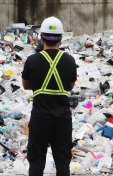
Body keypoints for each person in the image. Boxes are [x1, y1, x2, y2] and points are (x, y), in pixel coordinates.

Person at [22, 16, 77, 176]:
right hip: (62, 120)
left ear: (41, 37)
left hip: (40, 119)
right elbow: (70, 86)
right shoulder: (69, 60)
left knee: (37, 162)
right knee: (62, 161)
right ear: (61, 37)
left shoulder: (32, 60)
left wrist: (40, 85)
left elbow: (26, 85)